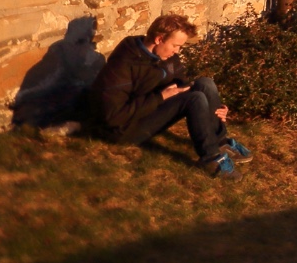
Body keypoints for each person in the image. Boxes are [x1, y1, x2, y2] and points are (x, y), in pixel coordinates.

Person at [91, 13, 251, 178]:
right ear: (159, 39)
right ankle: (211, 159)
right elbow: (113, 117)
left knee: (205, 84)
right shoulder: (123, 64)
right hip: (121, 130)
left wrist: (215, 108)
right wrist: (160, 97)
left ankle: (221, 141)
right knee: (194, 99)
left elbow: (182, 84)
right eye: (175, 45)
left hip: (149, 108)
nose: (177, 51)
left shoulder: (165, 56)